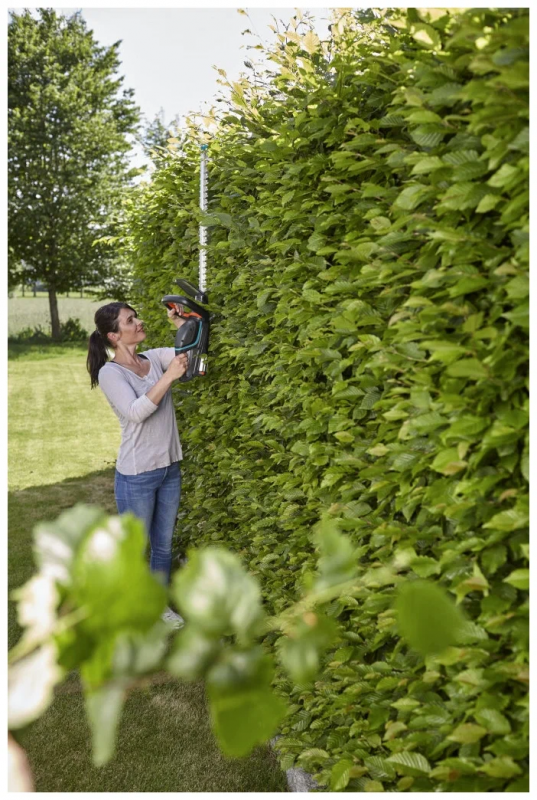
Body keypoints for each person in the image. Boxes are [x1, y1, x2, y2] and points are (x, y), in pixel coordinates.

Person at [86, 301, 188, 628]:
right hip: (137, 475)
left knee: (163, 546)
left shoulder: (154, 357)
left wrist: (182, 325)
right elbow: (135, 412)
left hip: (169, 467)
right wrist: (169, 377)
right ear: (114, 336)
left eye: (136, 317)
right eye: (130, 320)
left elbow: (192, 356)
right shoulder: (110, 373)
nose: (139, 322)